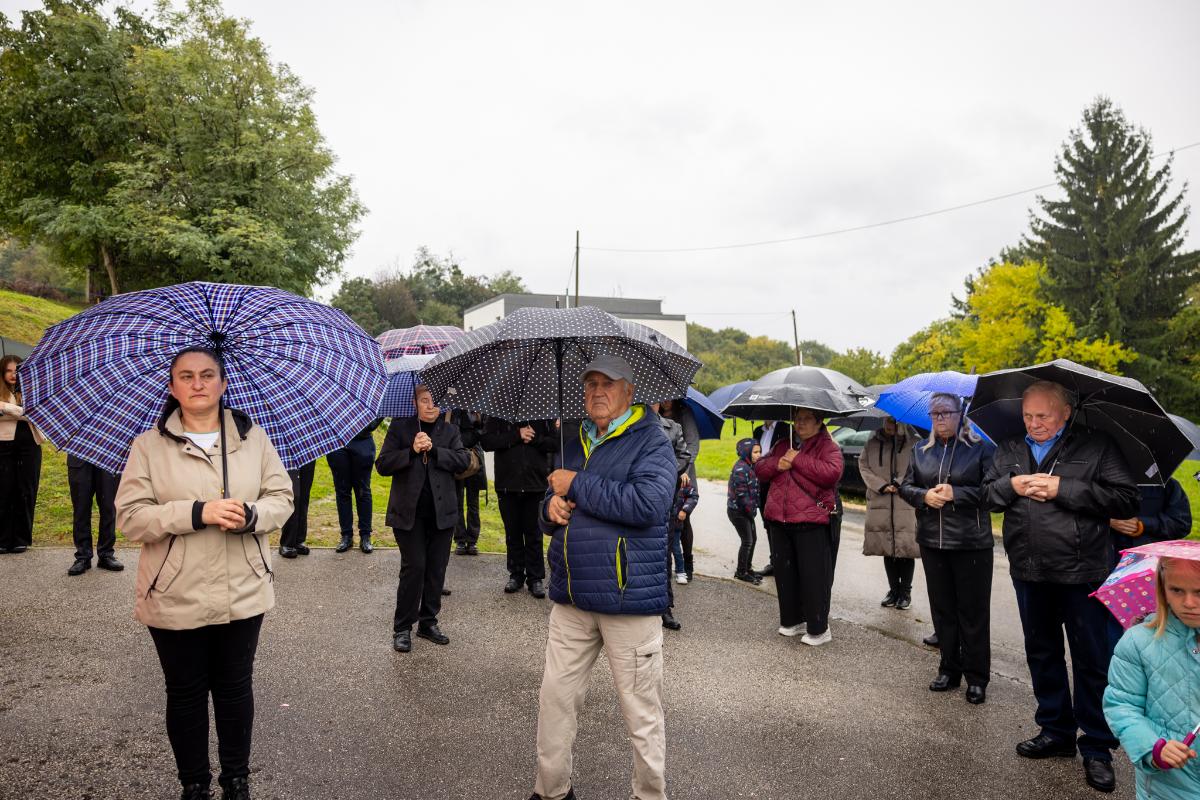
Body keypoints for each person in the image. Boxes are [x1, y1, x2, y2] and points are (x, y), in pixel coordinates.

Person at [115, 347, 294, 800]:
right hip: (173, 590)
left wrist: (251, 515)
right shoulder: (148, 446)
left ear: (223, 383)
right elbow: (131, 518)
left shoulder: (254, 439)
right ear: (172, 387)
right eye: (187, 376)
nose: (198, 383)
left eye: (208, 375)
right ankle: (194, 783)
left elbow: (282, 498)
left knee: (235, 688)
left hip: (243, 587)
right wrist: (197, 513)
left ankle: (236, 780)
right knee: (185, 692)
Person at [529, 355, 676, 800]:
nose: (596, 392)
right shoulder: (574, 437)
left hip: (628, 601)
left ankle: (648, 796)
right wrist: (549, 509)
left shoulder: (652, 440)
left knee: (640, 713)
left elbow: (648, 505)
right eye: (590, 383)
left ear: (629, 391)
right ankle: (551, 791)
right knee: (555, 700)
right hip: (572, 597)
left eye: (607, 384)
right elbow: (554, 499)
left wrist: (574, 485)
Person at [984, 380, 1140, 794]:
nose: (1033, 423)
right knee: (1042, 653)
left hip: (1083, 571)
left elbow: (1126, 500)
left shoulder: (1097, 445)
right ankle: (1055, 730)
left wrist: (1063, 488)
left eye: (1043, 416)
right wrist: (1011, 486)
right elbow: (987, 497)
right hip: (1028, 569)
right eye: (1027, 416)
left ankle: (1097, 746)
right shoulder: (1009, 447)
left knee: (1091, 660)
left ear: (1066, 412)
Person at [898, 395, 994, 704]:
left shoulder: (981, 449)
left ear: (960, 414)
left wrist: (957, 493)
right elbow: (906, 487)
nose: (939, 419)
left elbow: (993, 493)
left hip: (971, 543)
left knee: (972, 613)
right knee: (943, 611)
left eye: (945, 412)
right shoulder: (920, 450)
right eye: (934, 414)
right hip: (932, 541)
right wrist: (924, 496)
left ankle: (976, 677)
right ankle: (949, 669)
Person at [377, 386, 470, 653]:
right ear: (414, 402)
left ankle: (428, 622)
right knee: (415, 567)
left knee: (436, 569)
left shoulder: (450, 431)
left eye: (435, 401)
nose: (431, 406)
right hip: (409, 515)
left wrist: (436, 451)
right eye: (425, 401)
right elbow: (382, 465)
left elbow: (463, 461)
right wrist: (412, 450)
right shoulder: (400, 428)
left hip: (443, 514)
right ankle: (402, 627)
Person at [1103, 556, 1200, 800]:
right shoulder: (1138, 642)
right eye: (1176, 590)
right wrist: (1152, 748)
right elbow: (1122, 706)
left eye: (1199, 592)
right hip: (1167, 787)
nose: (1189, 603)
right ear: (1162, 589)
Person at [754, 408, 842, 647]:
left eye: (806, 419)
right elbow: (760, 469)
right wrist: (778, 464)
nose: (799, 424)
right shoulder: (784, 443)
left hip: (811, 522)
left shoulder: (828, 446)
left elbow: (832, 474)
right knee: (786, 575)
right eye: (797, 419)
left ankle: (818, 628)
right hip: (779, 520)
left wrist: (797, 459)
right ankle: (792, 621)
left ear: (819, 422)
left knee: (814, 577)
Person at [481, 417, 559, 597]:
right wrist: (517, 435)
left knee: (534, 534)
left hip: (535, 484)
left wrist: (534, 438)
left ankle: (535, 578)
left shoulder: (543, 412)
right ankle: (516, 574)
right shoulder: (499, 413)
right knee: (512, 533)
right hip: (507, 484)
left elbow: (554, 443)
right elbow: (487, 442)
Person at [859, 418, 918, 608]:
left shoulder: (913, 443)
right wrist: (882, 485)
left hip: (904, 501)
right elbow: (864, 466)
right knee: (887, 547)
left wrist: (898, 483)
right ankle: (893, 590)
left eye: (893, 421)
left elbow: (916, 467)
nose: (889, 424)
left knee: (906, 548)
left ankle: (905, 592)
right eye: (887, 420)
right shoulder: (872, 443)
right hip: (880, 501)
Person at [651, 401, 693, 632]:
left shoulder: (673, 427)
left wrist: (664, 470)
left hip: (665, 500)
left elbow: (684, 456)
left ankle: (665, 606)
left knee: (664, 555)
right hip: (639, 498)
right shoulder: (628, 427)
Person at [0, 355, 43, 555]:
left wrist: (6, 408)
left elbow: (37, 414)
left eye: (17, 370)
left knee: (26, 491)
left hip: (30, 447)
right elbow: (26, 414)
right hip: (3, 446)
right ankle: (2, 539)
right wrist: (22, 412)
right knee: (3, 490)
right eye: (9, 370)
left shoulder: (32, 390)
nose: (13, 374)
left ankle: (21, 538)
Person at [325, 419, 381, 554]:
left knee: (363, 491)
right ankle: (346, 535)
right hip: (336, 443)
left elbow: (377, 415)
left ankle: (365, 535)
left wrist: (361, 427)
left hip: (363, 443)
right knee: (342, 491)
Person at [660, 398, 700, 580]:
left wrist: (683, 470)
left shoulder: (684, 414)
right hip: (662, 472)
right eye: (661, 399)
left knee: (683, 521)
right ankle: (667, 564)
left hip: (684, 472)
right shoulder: (655, 415)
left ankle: (687, 564)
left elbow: (693, 445)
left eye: (668, 398)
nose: (665, 402)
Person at [66, 455, 124, 575]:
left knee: (108, 507)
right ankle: (83, 556)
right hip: (80, 454)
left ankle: (106, 554)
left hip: (109, 455)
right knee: (80, 508)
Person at [752, 419, 791, 577]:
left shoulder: (785, 429)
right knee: (768, 523)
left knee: (779, 524)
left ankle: (784, 561)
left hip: (777, 482)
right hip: (761, 482)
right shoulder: (758, 431)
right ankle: (774, 561)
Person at [450, 409, 486, 556]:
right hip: (458, 458)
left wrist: (478, 427)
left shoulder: (479, 409)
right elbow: (451, 432)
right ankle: (460, 539)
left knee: (473, 503)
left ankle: (472, 540)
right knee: (457, 502)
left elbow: (483, 433)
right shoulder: (453, 410)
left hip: (474, 459)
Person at [727, 438, 762, 584]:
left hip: (747, 511)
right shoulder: (741, 469)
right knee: (747, 541)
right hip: (738, 512)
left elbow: (755, 490)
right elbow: (742, 495)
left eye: (759, 451)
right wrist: (751, 511)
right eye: (755, 452)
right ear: (746, 452)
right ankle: (741, 572)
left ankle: (747, 568)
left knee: (753, 539)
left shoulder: (750, 466)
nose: (759, 455)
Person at [278, 460, 316, 558]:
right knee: (293, 496)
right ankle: (287, 543)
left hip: (306, 453)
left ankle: (299, 541)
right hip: (287, 455)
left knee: (304, 496)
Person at [669, 478, 699, 585]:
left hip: (676, 524)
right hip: (662, 524)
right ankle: (665, 573)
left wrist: (685, 509)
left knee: (676, 550)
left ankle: (681, 572)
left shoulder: (684, 481)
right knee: (663, 550)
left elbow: (694, 495)